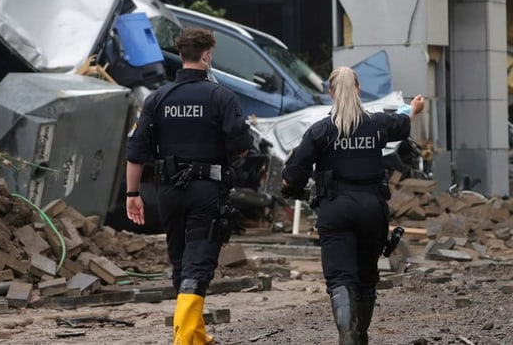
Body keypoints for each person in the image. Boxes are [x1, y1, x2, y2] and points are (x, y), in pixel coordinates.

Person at [125, 27, 253, 345]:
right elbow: (240, 145)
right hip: (206, 190)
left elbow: (136, 150)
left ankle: (194, 335)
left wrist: (132, 194)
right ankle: (183, 340)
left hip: (168, 191)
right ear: (207, 55)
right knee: (200, 260)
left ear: (182, 56)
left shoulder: (158, 98)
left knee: (180, 259)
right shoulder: (220, 97)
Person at [281, 66, 424, 345]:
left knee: (340, 278)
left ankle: (348, 336)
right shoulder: (376, 124)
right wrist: (414, 107)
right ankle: (360, 336)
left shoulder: (321, 130)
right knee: (366, 277)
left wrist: (293, 188)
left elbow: (294, 171)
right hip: (372, 209)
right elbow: (402, 122)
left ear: (331, 92)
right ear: (358, 89)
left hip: (335, 210)